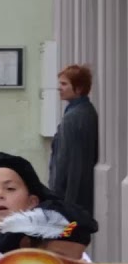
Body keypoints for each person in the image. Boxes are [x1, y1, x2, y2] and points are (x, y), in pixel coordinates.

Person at [49, 64, 98, 215]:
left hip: (70, 197)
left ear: (79, 88)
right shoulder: (86, 111)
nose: (59, 88)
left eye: (64, 84)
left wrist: (60, 199)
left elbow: (66, 162)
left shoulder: (73, 117)